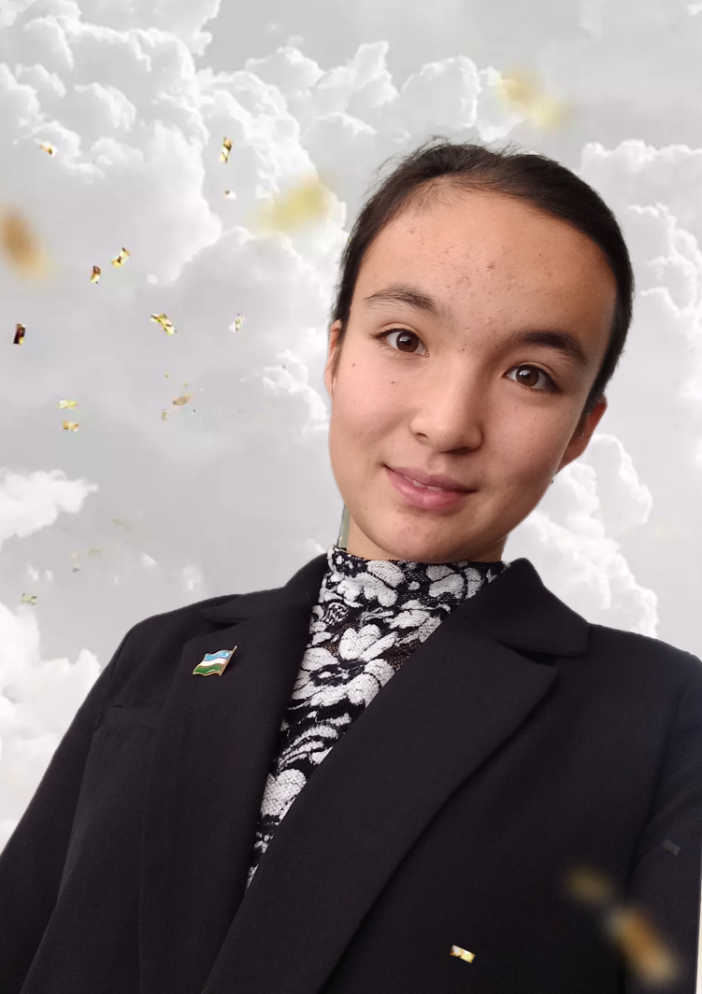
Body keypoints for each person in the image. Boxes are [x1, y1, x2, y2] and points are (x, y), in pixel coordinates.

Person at [0, 137, 700, 994]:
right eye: (404, 338)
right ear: (336, 353)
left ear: (581, 432)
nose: (447, 424)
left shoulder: (659, 713)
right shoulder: (164, 653)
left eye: (530, 374)